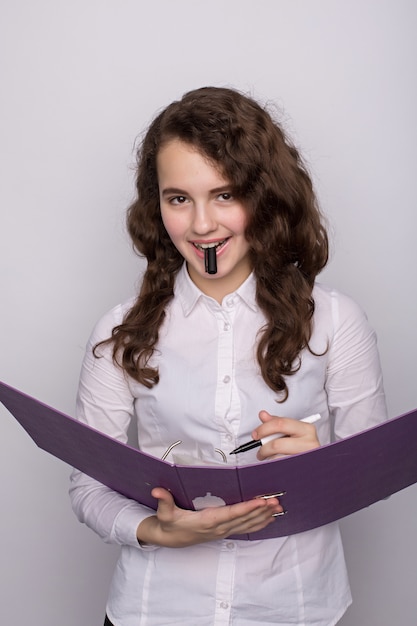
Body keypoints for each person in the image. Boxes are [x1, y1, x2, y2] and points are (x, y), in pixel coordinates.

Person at [69, 86, 387, 626]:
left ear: (264, 197)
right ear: (157, 205)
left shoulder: (335, 320)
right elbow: (87, 484)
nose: (200, 226)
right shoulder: (121, 331)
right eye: (178, 199)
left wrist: (322, 461)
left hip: (294, 607)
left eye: (224, 195)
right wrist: (153, 529)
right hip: (157, 607)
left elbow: (377, 473)